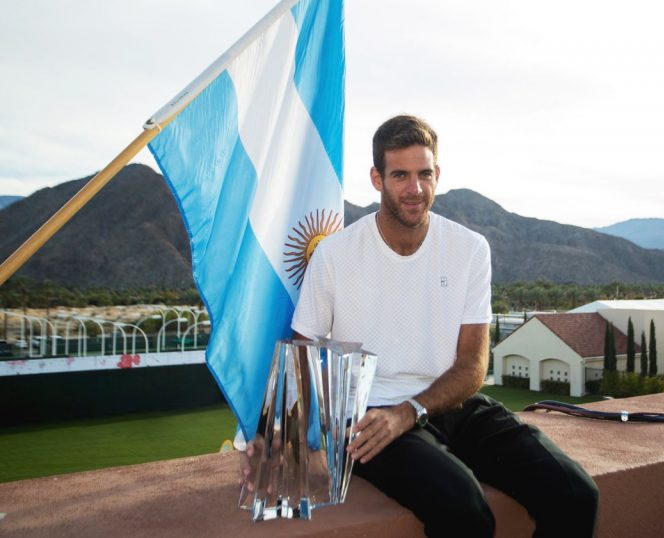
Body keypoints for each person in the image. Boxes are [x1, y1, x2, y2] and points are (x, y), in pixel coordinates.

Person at [248, 115, 599, 536]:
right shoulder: (336, 255)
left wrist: (410, 412)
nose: (415, 189)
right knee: (463, 507)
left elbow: (472, 364)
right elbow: (302, 353)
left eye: (424, 174)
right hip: (370, 421)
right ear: (377, 179)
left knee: (576, 492)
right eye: (400, 175)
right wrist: (273, 441)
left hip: (447, 404)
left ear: (438, 174)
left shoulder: (469, 249)